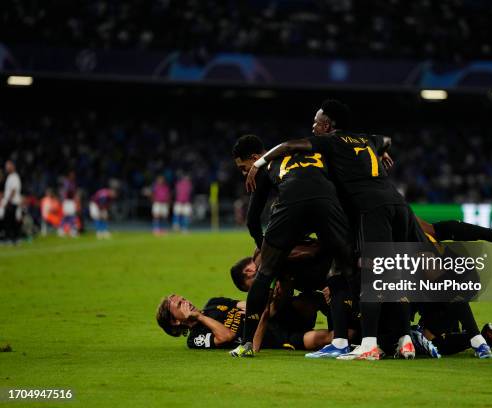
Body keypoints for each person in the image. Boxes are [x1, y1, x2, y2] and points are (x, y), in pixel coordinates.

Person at [245, 101, 425, 360]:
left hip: (369, 211)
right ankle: (404, 339)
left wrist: (259, 163)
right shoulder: (364, 139)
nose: (313, 126)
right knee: (388, 272)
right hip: (398, 204)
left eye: (317, 121)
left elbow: (288, 146)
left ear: (328, 125)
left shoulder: (330, 142)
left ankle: (369, 344)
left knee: (367, 275)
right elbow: (385, 139)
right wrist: (383, 150)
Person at [229, 134, 354, 358]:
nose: (244, 173)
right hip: (327, 201)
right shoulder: (318, 156)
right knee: (341, 271)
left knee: (264, 274)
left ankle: (246, 343)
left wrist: (266, 250)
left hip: (292, 203)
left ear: (256, 158)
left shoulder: (266, 166)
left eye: (243, 167)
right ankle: (349, 339)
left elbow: (252, 219)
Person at [156, 293, 334, 352]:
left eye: (184, 299)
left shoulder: (213, 304)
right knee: (323, 338)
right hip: (274, 337)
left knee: (310, 298)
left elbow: (247, 306)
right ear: (175, 322)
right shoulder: (195, 338)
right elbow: (227, 336)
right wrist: (199, 318)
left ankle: (354, 319)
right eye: (180, 305)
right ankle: (350, 339)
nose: (186, 302)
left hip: (274, 317)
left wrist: (272, 301)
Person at [1, 160, 22, 244]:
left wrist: (8, 201)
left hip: (12, 202)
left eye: (8, 166)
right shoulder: (10, 177)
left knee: (10, 222)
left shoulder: (14, 177)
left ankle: (12, 239)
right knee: (10, 221)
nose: (6, 168)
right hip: (10, 202)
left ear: (12, 166)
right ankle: (12, 239)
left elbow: (13, 190)